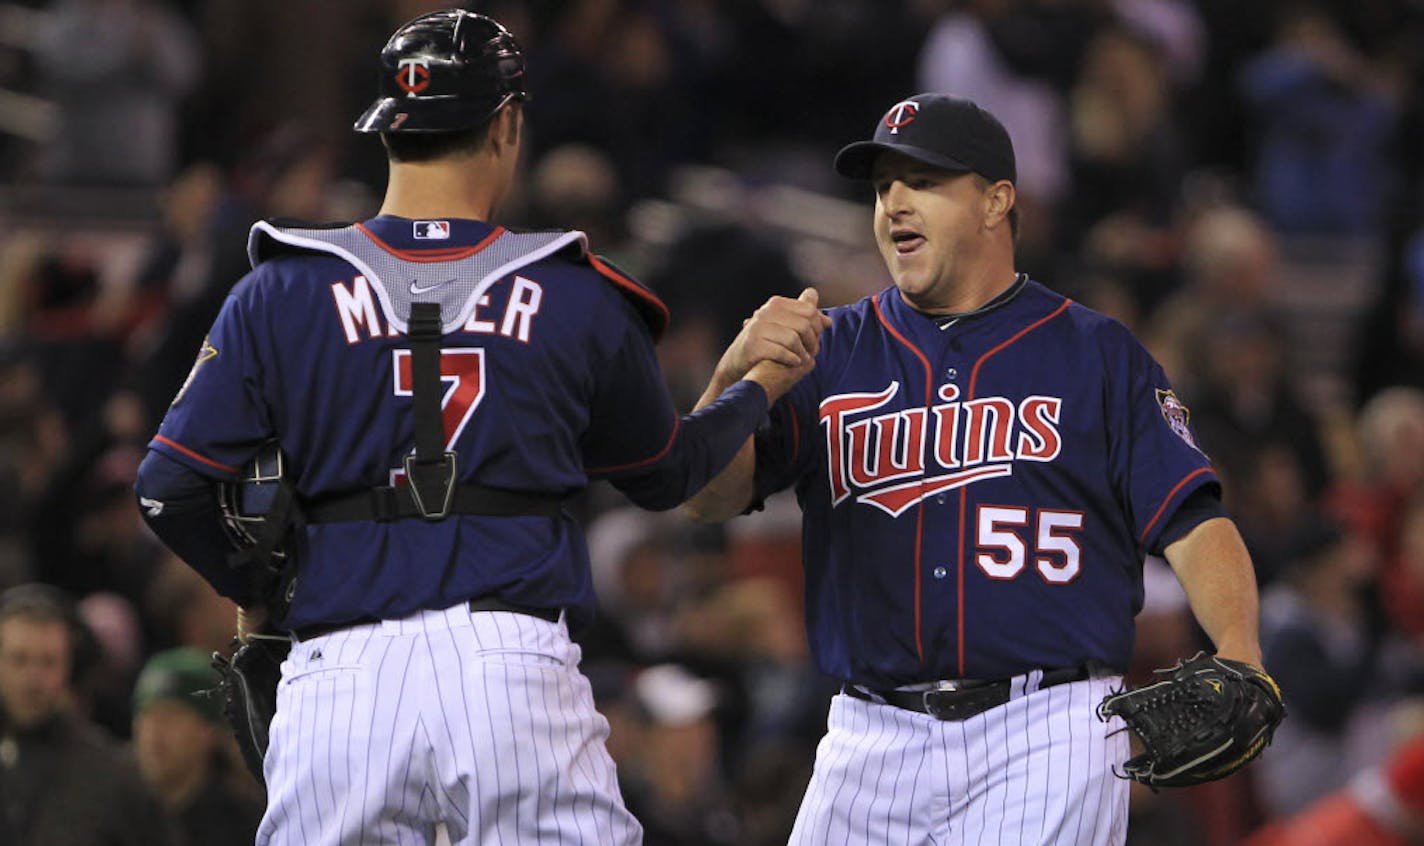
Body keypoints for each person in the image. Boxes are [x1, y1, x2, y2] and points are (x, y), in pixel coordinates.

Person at [132, 10, 823, 846]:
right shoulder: (574, 290)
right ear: (506, 126)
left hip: (340, 669)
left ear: (386, 128)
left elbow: (168, 489)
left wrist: (260, 590)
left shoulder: (279, 290)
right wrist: (755, 387)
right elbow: (670, 474)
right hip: (510, 666)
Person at [685, 93, 1270, 844]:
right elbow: (705, 499)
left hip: (1046, 726)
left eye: (923, 182)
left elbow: (1192, 519)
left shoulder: (1094, 353)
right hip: (870, 729)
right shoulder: (831, 350)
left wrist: (1242, 652)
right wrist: (732, 378)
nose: (894, 202)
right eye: (882, 186)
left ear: (997, 202)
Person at [0, 583, 170, 845]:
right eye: (19, 659)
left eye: (48, 662)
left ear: (71, 668)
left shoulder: (115, 776)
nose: (33, 679)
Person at [131, 648, 263, 846]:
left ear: (209, 731)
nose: (154, 733)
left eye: (171, 716)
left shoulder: (246, 828)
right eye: (147, 716)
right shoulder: (118, 816)